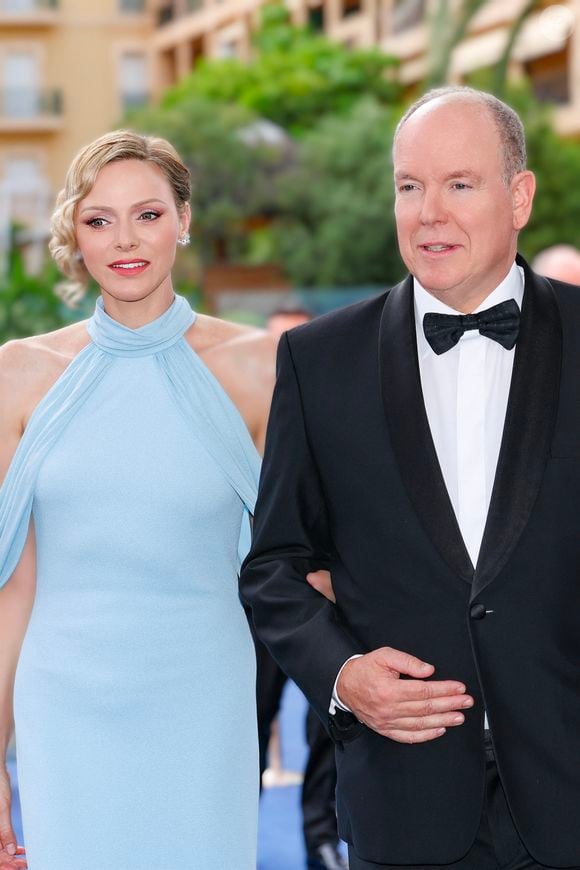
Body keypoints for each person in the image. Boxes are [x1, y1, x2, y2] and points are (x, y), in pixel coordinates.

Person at [241, 86, 580, 869]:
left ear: (519, 196)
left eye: (459, 184)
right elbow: (273, 569)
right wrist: (343, 675)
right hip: (404, 805)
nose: (429, 211)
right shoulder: (319, 362)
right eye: (408, 186)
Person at [0, 130, 278, 870]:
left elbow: (304, 559)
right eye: (99, 220)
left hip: (205, 701)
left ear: (184, 220)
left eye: (148, 214)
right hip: (63, 709)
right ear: (76, 235)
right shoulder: (19, 376)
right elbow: (14, 587)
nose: (125, 239)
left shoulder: (261, 368)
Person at [252, 307, 347, 870]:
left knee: (331, 728)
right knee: (248, 727)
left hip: (328, 603)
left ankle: (322, 842)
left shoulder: (336, 406)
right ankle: (235, 841)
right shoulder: (232, 410)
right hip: (251, 603)